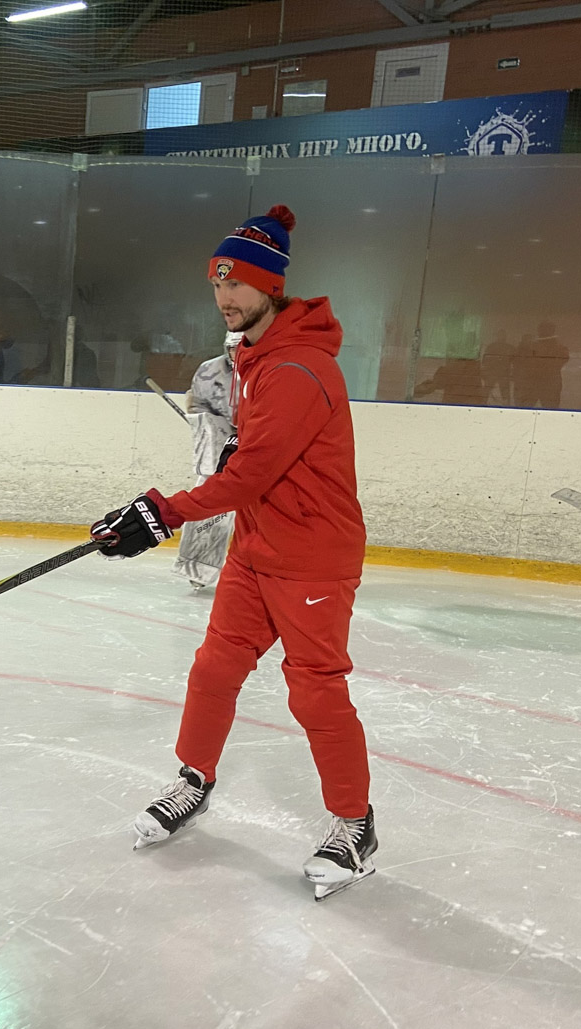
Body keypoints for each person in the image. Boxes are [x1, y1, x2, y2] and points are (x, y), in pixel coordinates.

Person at [89, 206, 376, 901]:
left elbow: (253, 473)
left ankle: (356, 825)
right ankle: (194, 779)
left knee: (314, 691)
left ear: (273, 285)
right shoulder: (255, 359)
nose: (226, 298)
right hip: (257, 548)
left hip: (312, 557)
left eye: (240, 285)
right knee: (215, 668)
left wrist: (162, 513)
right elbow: (252, 464)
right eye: (218, 285)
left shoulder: (298, 369)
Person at [173, 334, 240, 590]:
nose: (237, 352)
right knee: (209, 501)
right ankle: (197, 566)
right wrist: (199, 416)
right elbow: (200, 405)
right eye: (233, 347)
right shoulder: (209, 370)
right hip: (218, 446)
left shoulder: (267, 370)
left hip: (257, 445)